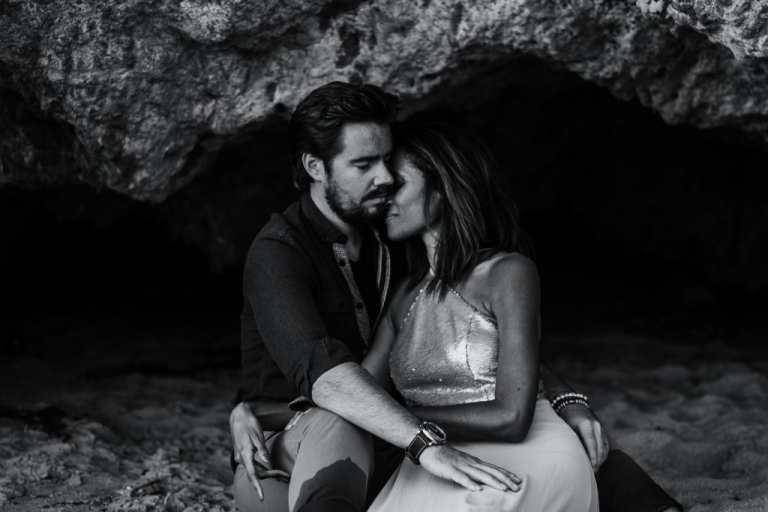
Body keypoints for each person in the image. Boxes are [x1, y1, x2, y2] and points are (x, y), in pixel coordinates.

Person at [230, 81, 683, 512]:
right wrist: (253, 412)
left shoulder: (390, 239)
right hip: (295, 447)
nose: (383, 179)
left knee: (566, 437)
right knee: (344, 419)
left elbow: (487, 346)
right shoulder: (280, 253)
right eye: (364, 164)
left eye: (388, 162)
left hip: (397, 434)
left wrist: (568, 399)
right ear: (315, 167)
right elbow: (331, 381)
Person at [365, 123, 598, 511]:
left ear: (441, 188)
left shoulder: (508, 273)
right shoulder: (402, 296)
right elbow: (356, 393)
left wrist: (398, 420)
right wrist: (257, 412)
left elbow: (512, 417)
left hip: (528, 452)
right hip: (436, 460)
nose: (383, 199)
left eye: (397, 185)